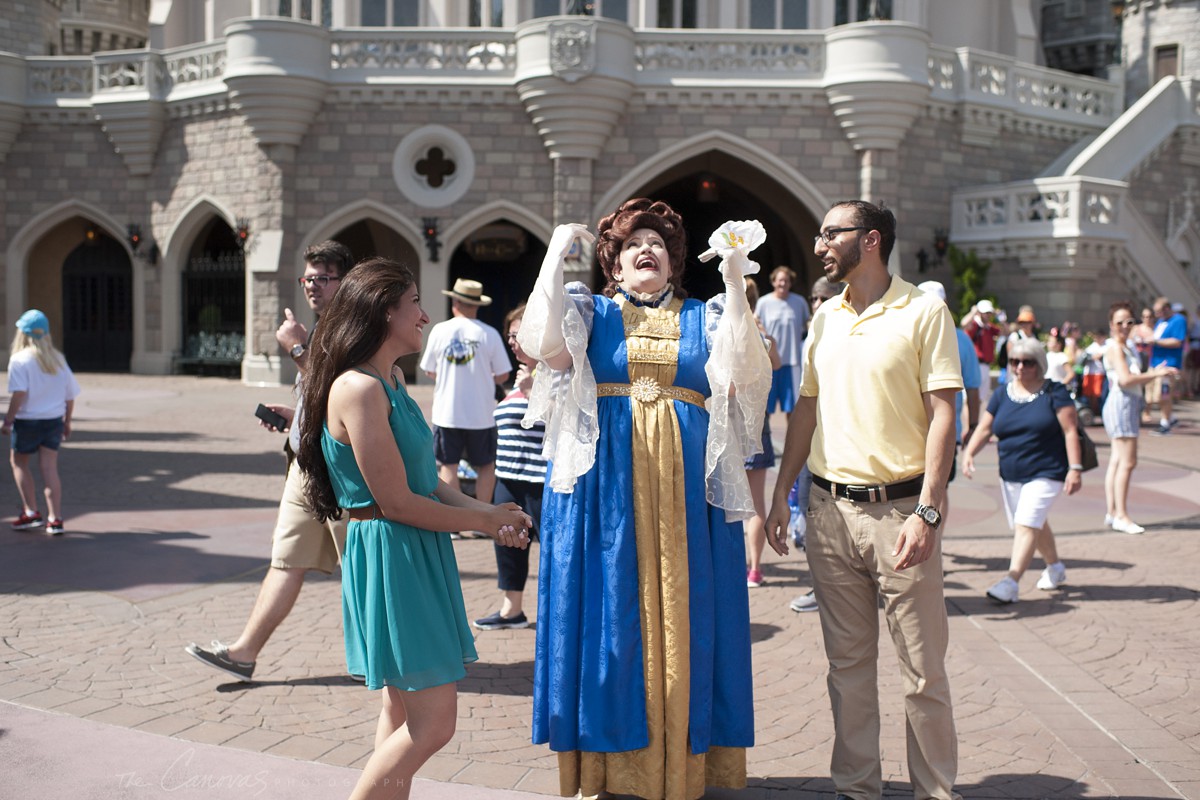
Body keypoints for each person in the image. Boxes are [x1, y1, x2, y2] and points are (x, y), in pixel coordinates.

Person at [519, 198, 771, 800]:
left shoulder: (703, 316)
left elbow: (745, 371)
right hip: (605, 494)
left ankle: (683, 765)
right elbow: (540, 344)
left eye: (658, 242)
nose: (647, 250)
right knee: (610, 615)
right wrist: (555, 256)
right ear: (615, 262)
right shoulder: (593, 312)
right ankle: (611, 767)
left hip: (687, 495)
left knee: (689, 617)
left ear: (675, 260)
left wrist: (735, 282)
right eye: (634, 243)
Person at [296, 257, 531, 800]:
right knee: (434, 725)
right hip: (392, 555)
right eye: (415, 304)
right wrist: (483, 522)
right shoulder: (358, 389)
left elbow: (425, 483)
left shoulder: (391, 378)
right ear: (383, 314)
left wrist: (489, 513)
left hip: (411, 550)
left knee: (399, 709)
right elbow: (397, 503)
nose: (425, 316)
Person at [765, 201, 963, 800]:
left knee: (922, 672)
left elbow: (945, 414)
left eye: (832, 233)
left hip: (902, 514)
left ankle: (934, 792)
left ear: (870, 240)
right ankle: (857, 790)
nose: (820, 243)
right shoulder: (823, 318)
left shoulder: (925, 311)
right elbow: (807, 408)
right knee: (847, 671)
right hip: (828, 512)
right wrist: (783, 494)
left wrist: (929, 509)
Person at [186, 240, 354, 681]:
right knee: (286, 559)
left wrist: (297, 351)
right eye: (308, 279)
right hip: (305, 464)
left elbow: (343, 391)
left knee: (361, 566)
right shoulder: (319, 325)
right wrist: (295, 414)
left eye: (322, 278)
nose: (312, 286)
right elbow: (318, 395)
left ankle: (381, 658)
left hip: (341, 470)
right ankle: (243, 653)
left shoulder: (355, 327)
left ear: (346, 280)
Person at [962, 338, 1082, 604]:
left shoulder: (1055, 392)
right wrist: (970, 452)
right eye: (1014, 361)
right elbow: (985, 428)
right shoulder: (1002, 394)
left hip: (1047, 471)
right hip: (1011, 473)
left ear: (1039, 364)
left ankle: (1011, 582)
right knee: (1034, 523)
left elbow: (1070, 431)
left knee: (1026, 523)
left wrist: (1075, 468)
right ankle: (1055, 568)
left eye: (1027, 362)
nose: (1019, 367)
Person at [474, 303, 546, 629]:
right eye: (510, 335)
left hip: (542, 480)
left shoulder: (556, 372)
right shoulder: (519, 379)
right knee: (508, 544)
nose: (512, 342)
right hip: (509, 477)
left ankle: (559, 613)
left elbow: (570, 424)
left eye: (519, 334)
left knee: (557, 551)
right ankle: (511, 610)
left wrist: (535, 393)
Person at [419, 279, 512, 513]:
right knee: (485, 465)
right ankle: (483, 517)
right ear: (477, 305)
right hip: (481, 414)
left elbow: (430, 370)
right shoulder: (489, 334)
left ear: (455, 302)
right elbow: (503, 375)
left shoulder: (440, 330)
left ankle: (455, 517)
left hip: (447, 413)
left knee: (448, 465)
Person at [786, 275, 843, 615]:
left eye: (822, 298)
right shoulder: (813, 334)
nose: (816, 304)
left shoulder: (842, 335)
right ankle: (821, 588)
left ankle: (831, 591)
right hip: (813, 439)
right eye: (813, 298)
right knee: (812, 517)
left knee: (829, 521)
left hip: (837, 443)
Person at [1102, 302, 1178, 534]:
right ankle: (1121, 515)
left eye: (1129, 322)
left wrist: (1154, 372)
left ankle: (1113, 512)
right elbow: (1125, 380)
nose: (1125, 327)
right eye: (1119, 323)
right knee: (1127, 461)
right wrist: (1154, 374)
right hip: (1121, 402)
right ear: (1111, 325)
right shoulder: (1115, 348)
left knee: (1117, 460)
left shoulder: (1128, 347)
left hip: (1128, 402)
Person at [3, 310, 81, 535]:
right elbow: (70, 395)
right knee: (49, 468)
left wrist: (8, 421)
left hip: (27, 421)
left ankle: (31, 512)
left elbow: (19, 394)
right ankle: (55, 518)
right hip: (52, 420)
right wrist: (67, 421)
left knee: (19, 463)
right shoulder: (58, 359)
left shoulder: (20, 359)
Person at [744, 277, 782, 589]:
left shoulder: (722, 326)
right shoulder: (759, 332)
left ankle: (732, 564)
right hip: (758, 421)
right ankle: (755, 569)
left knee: (723, 501)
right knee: (757, 502)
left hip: (728, 424)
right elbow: (777, 362)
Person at [755, 265, 810, 424]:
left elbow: (808, 324)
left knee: (791, 410)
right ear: (773, 282)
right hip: (769, 364)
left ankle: (790, 447)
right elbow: (756, 325)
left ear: (790, 283)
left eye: (786, 281)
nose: (783, 284)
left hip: (792, 363)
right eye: (780, 281)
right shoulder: (764, 303)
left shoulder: (799, 302)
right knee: (765, 409)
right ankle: (766, 446)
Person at [1149, 297, 1186, 435]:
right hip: (1156, 363)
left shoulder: (1178, 320)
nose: (1157, 315)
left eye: (1158, 311)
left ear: (1166, 309)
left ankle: (1165, 424)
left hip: (1169, 364)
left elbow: (1177, 341)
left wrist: (1156, 341)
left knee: (1163, 395)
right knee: (1155, 396)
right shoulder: (1160, 321)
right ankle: (1171, 418)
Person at [964, 298, 1000, 407]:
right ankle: (969, 423)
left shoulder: (989, 327)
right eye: (986, 313)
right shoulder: (975, 324)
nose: (988, 315)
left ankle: (975, 422)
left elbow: (1004, 331)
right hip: (976, 365)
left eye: (990, 313)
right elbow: (964, 324)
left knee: (981, 398)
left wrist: (1001, 318)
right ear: (979, 313)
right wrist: (973, 312)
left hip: (986, 366)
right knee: (970, 397)